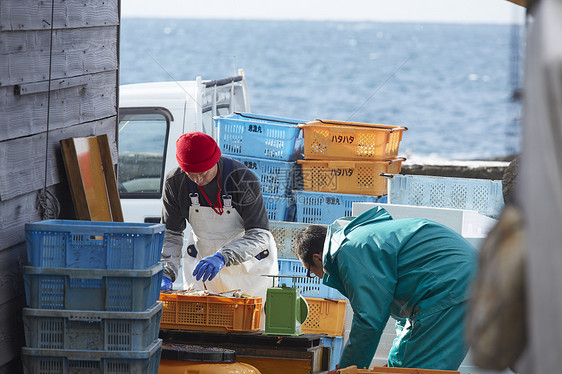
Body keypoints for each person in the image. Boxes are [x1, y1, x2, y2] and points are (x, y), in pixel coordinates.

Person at [294, 206, 478, 370]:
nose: (318, 278)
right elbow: (403, 317)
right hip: (462, 279)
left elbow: (368, 321)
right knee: (406, 366)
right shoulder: (363, 235)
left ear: (318, 258)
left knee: (420, 370)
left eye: (311, 272)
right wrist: (392, 365)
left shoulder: (349, 250)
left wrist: (348, 370)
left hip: (450, 284)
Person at [160, 131, 278, 304]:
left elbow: (260, 235)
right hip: (204, 267)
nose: (198, 179)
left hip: (250, 269)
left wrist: (222, 257)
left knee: (251, 325)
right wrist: (166, 271)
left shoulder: (242, 179)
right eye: (191, 174)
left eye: (204, 173)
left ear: (215, 161)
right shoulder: (174, 183)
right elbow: (171, 234)